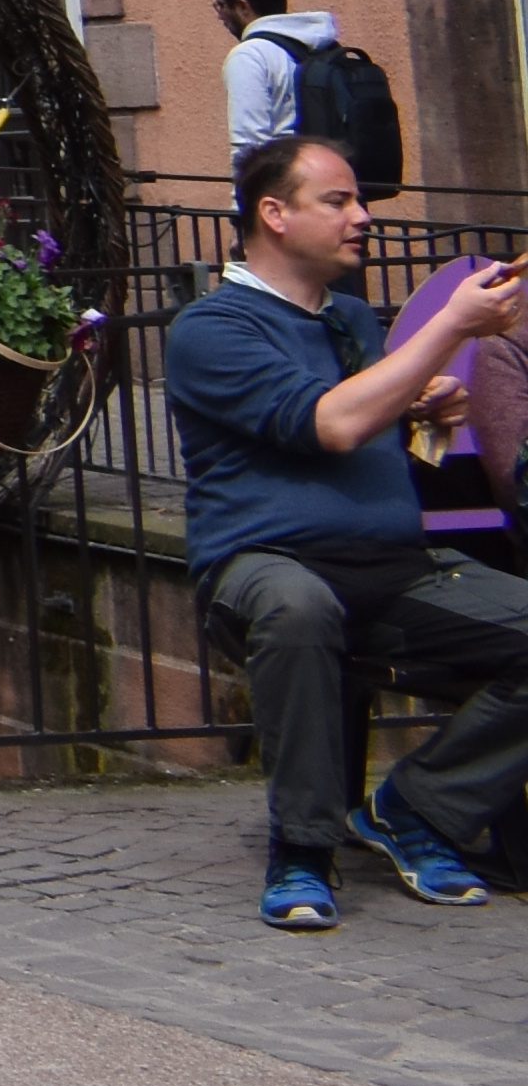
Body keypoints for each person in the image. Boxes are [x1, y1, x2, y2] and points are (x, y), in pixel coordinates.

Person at [165, 133, 528, 929]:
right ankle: (301, 849)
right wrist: (451, 331)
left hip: (392, 566)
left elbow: (368, 424)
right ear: (275, 214)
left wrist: (419, 410)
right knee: (300, 608)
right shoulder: (211, 329)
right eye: (338, 201)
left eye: (358, 200)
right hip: (266, 565)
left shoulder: (352, 319)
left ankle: (415, 809)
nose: (363, 216)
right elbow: (327, 424)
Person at [211, 0, 403, 202]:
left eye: (220, 6)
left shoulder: (250, 55)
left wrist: (243, 216)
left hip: (293, 203)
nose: (219, 16)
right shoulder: (322, 44)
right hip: (343, 201)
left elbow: (249, 145)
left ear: (242, 6)